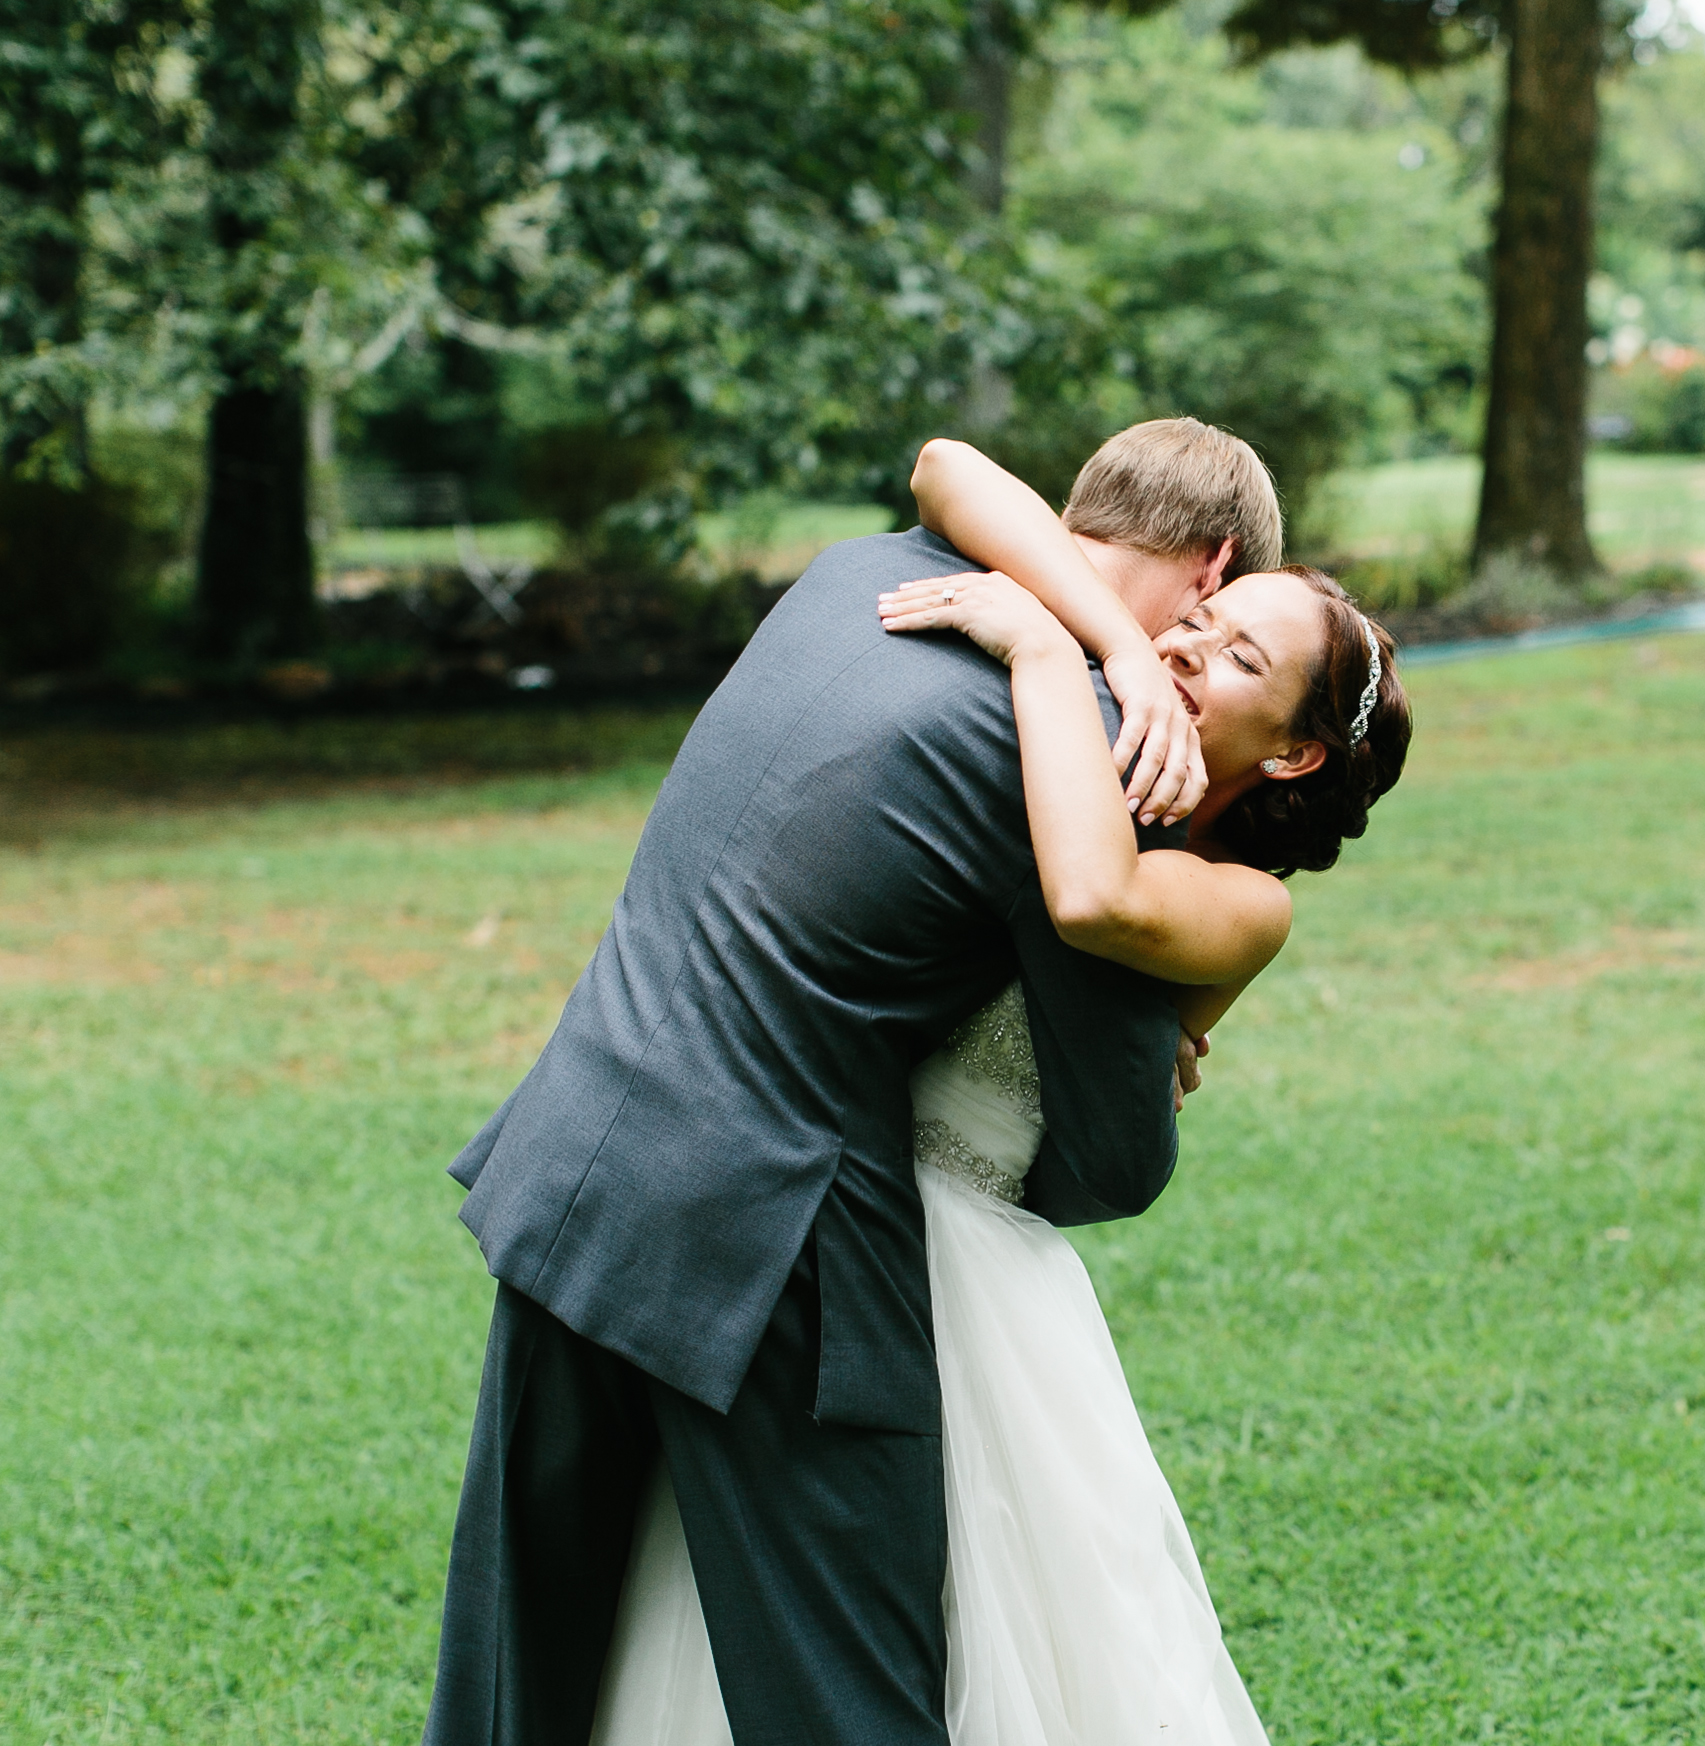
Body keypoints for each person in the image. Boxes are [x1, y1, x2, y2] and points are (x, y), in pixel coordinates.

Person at [422, 418, 1282, 1746]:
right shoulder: (1100, 751)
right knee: (851, 1696)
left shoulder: (854, 574)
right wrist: (1154, 1019)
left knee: (521, 1681)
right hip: (778, 1244)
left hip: (575, 1148)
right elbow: (1108, 1161)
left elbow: (945, 463)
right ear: (1214, 570)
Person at [584, 439, 1412, 1745]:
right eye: (1202, 623)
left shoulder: (1238, 899)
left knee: (985, 1645)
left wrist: (1040, 652)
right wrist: (1111, 648)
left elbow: (1088, 904)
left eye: (1240, 658)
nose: (1191, 650)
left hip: (964, 1258)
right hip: (832, 1201)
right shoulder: (1098, 702)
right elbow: (949, 467)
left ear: (1301, 757)